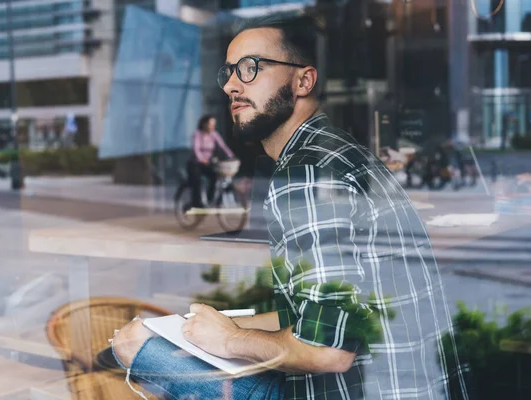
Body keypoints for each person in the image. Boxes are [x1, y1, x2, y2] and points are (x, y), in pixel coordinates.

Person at [113, 15, 471, 400]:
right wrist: (206, 327)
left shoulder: (307, 174)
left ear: (303, 80)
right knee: (164, 335)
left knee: (134, 343)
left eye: (251, 68)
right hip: (411, 387)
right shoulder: (335, 152)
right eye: (229, 72)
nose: (232, 85)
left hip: (360, 390)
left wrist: (231, 339)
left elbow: (327, 352)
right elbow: (324, 317)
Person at [187, 114, 235, 207]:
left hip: (208, 163)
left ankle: (209, 200)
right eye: (210, 124)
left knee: (215, 177)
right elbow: (196, 149)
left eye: (214, 124)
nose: (212, 126)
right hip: (196, 164)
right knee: (197, 181)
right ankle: (196, 203)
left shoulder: (214, 134)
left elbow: (222, 146)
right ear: (204, 124)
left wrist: (231, 156)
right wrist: (201, 159)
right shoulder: (197, 134)